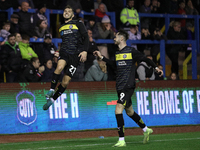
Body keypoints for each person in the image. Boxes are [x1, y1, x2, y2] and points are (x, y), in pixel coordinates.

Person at [93, 29, 163, 147]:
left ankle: (121, 140)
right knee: (129, 112)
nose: (114, 38)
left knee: (118, 109)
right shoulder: (117, 53)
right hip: (120, 86)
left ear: (121, 38)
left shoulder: (131, 51)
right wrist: (102, 58)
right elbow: (114, 66)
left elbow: (145, 59)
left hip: (128, 85)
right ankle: (146, 129)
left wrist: (156, 68)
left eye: (116, 36)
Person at [43, 5, 89, 110]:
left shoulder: (78, 23)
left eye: (69, 11)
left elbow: (85, 37)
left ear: (72, 15)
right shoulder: (61, 27)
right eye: (65, 11)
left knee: (65, 81)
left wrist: (85, 51)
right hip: (64, 53)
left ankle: (52, 100)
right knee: (59, 68)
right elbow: (65, 42)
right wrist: (59, 52)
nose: (66, 12)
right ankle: (51, 90)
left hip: (75, 56)